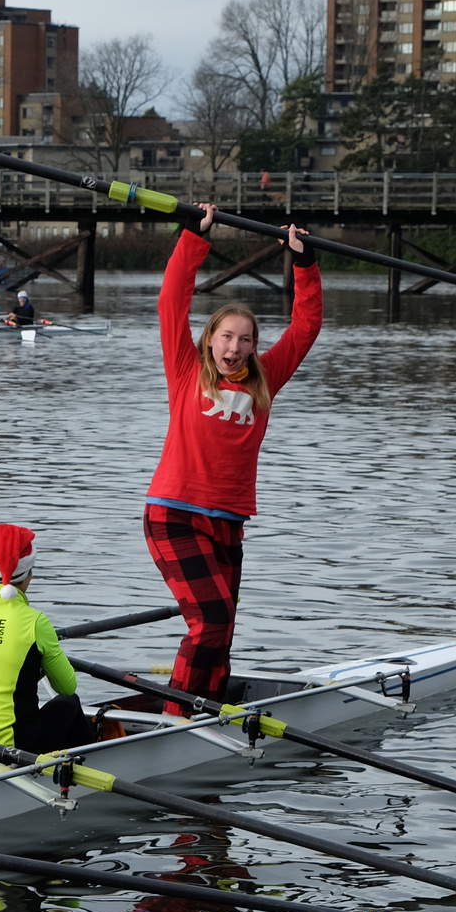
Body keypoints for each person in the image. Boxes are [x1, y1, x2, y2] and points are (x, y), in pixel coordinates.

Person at [146, 203, 321, 704]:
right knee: (212, 619)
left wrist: (305, 264)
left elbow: (306, 326)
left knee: (223, 629)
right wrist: (193, 238)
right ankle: (178, 710)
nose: (237, 347)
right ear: (210, 340)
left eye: (246, 340)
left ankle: (211, 702)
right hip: (173, 514)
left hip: (228, 520)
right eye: (228, 337)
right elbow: (170, 302)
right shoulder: (187, 370)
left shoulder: (266, 377)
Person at [0, 523, 96, 753]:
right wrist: (37, 667)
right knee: (68, 704)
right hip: (10, 747)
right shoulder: (35, 621)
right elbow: (66, 686)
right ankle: (93, 765)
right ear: (27, 575)